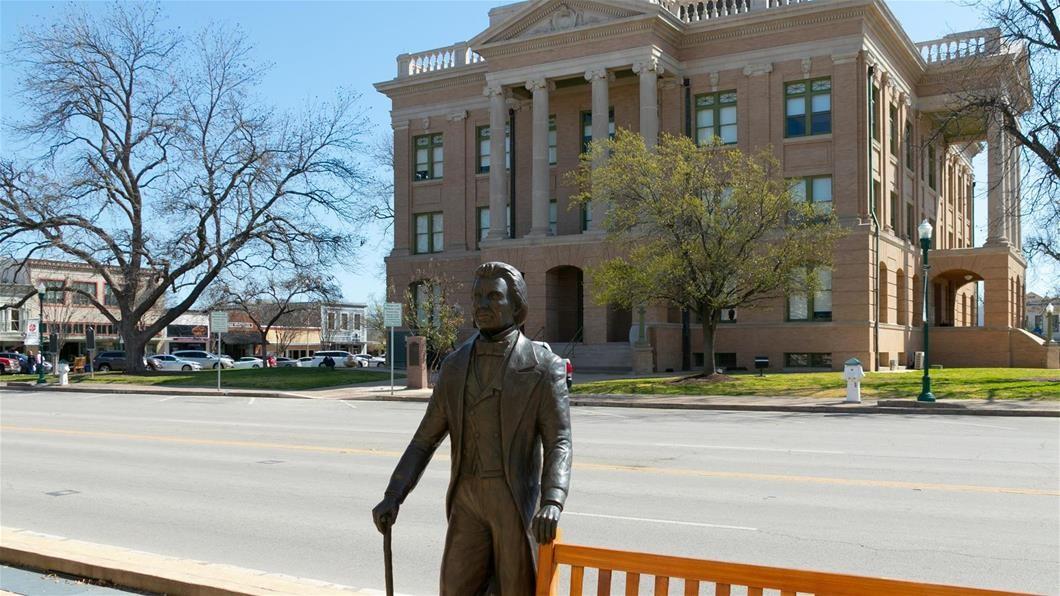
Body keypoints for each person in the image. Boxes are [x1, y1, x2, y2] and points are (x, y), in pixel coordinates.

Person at [372, 262, 572, 596]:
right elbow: (424, 440)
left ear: (516, 304)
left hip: (512, 499)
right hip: (467, 499)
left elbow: (559, 442)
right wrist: (394, 495)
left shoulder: (542, 368)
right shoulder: (454, 366)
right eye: (478, 296)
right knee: (454, 586)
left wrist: (552, 499)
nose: (482, 304)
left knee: (515, 589)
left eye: (494, 296)